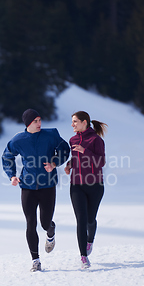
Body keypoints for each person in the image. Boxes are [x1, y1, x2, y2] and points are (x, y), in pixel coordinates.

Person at [2, 109, 70, 272]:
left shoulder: (51, 135)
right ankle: (36, 260)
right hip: (27, 186)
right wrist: (12, 176)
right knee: (30, 223)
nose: (39, 124)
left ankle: (51, 230)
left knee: (45, 222)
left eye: (40, 120)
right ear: (28, 124)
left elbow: (65, 149)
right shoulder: (19, 139)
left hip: (47, 186)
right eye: (36, 121)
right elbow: (7, 156)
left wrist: (54, 163)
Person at [64, 111, 107, 269]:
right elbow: (76, 159)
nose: (72, 124)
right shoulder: (73, 140)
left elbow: (101, 162)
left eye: (75, 121)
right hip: (76, 185)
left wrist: (85, 151)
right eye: (72, 121)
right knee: (81, 219)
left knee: (90, 219)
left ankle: (90, 240)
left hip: (95, 185)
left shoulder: (96, 140)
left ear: (84, 122)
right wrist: (69, 165)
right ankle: (83, 256)